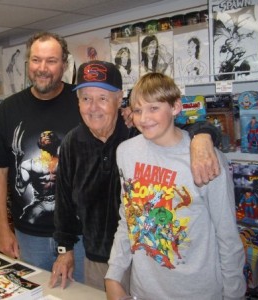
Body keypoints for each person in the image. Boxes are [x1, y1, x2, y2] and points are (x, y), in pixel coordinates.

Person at [49, 61, 222, 290]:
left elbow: (176, 126)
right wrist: (64, 249)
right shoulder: (72, 142)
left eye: (102, 98)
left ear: (119, 99)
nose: (93, 107)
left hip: (149, 260)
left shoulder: (138, 129)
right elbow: (64, 202)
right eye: (86, 99)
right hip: (98, 260)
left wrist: (204, 135)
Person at [105, 73, 246, 300]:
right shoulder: (126, 152)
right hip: (143, 290)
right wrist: (113, 274)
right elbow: (128, 219)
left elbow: (227, 235)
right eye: (138, 110)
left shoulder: (207, 159)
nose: (144, 118)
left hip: (198, 291)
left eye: (154, 108)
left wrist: (234, 295)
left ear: (175, 107)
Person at [0, 32, 85, 282]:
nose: (42, 68)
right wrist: (3, 229)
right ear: (28, 64)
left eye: (51, 61)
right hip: (30, 235)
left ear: (64, 65)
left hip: (80, 236)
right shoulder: (8, 110)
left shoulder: (82, 102)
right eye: (36, 60)